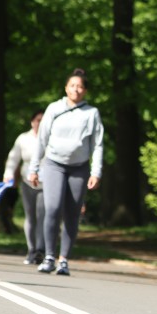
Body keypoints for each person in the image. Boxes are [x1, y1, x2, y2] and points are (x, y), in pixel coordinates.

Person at [29, 68, 104, 277]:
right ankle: (49, 256)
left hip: (79, 167)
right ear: (66, 88)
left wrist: (96, 172)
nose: (76, 89)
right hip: (54, 164)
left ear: (85, 90)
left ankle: (63, 260)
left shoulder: (91, 113)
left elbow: (97, 144)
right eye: (72, 85)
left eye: (80, 86)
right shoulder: (54, 108)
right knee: (52, 208)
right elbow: (42, 139)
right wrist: (34, 168)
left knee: (72, 213)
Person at [3, 109, 46, 265]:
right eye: (38, 120)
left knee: (43, 216)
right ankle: (31, 249)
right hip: (27, 182)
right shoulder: (23, 138)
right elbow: (13, 158)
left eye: (43, 121)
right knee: (30, 216)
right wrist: (8, 173)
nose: (40, 123)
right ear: (32, 122)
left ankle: (41, 250)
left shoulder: (51, 138)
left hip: (46, 183)